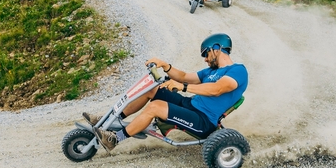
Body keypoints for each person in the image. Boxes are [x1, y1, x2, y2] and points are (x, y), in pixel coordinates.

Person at [84, 33, 248, 152]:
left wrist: (182, 87)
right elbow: (184, 76)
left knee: (155, 107)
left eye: (206, 53)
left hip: (203, 119)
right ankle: (111, 120)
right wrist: (165, 65)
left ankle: (114, 139)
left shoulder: (238, 70)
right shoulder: (210, 71)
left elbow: (217, 89)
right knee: (152, 89)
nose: (205, 58)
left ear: (217, 49)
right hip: (190, 104)